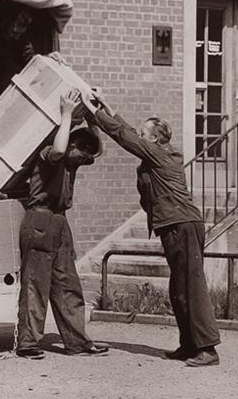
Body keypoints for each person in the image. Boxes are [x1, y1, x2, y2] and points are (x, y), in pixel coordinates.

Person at [90, 102, 221, 366]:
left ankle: (208, 348)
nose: (140, 135)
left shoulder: (163, 155)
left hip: (183, 224)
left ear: (155, 138)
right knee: (178, 289)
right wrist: (106, 106)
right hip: (174, 226)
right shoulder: (154, 154)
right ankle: (189, 344)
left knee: (191, 286)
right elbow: (128, 131)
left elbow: (125, 136)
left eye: (144, 132)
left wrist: (93, 113)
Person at [15, 87, 109, 359]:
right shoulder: (47, 153)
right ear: (70, 142)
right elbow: (58, 149)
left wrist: (92, 117)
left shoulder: (72, 160)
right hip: (39, 219)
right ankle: (28, 343)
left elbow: (99, 151)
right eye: (79, 148)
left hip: (59, 223)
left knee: (68, 284)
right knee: (36, 284)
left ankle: (77, 342)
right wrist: (67, 114)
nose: (83, 155)